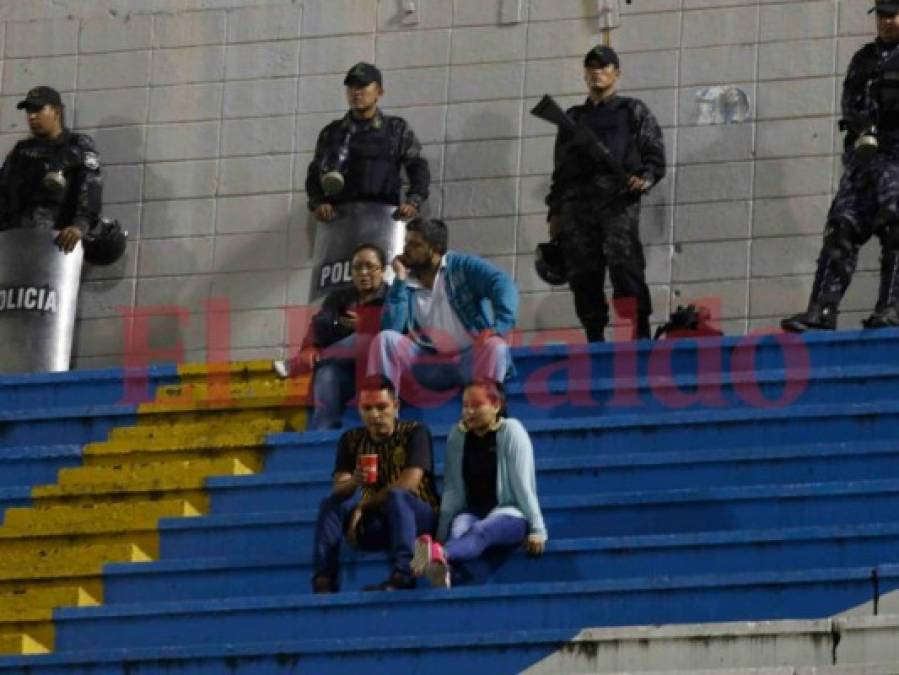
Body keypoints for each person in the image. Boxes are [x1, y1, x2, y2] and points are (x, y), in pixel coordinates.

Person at [782, 1, 899, 332]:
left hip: (896, 157)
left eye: (892, 15)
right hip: (864, 160)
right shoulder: (864, 58)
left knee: (895, 229)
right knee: (841, 229)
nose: (886, 21)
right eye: (881, 15)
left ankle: (888, 308)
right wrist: (862, 126)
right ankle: (821, 310)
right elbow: (849, 102)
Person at [545, 45, 666, 342]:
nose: (597, 72)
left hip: (617, 201)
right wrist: (555, 212)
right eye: (591, 67)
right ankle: (594, 339)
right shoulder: (572, 117)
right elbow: (561, 168)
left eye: (604, 66)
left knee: (625, 268)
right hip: (577, 206)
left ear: (617, 73)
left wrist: (644, 178)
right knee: (583, 274)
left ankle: (640, 336)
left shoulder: (632, 110)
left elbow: (654, 155)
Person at [367, 217, 518, 405]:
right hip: (429, 365)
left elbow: (502, 283)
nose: (406, 250)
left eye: (415, 245)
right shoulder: (404, 282)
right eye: (406, 243)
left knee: (496, 346)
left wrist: (500, 325)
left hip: (469, 362)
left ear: (436, 248)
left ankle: (487, 416)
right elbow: (392, 327)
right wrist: (399, 279)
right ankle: (384, 410)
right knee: (385, 339)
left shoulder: (461, 266)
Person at [411, 379, 546, 588]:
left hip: (509, 514)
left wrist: (538, 530)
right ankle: (444, 568)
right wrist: (441, 534)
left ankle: (439, 554)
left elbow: (524, 486)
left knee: (480, 531)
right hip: (472, 511)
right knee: (459, 531)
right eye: (465, 406)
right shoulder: (458, 436)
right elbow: (453, 489)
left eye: (476, 405)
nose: (469, 412)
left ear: (496, 405)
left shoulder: (512, 431)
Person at [311, 375, 440, 592]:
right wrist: (355, 480)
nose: (374, 415)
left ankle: (404, 574)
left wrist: (363, 506)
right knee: (331, 504)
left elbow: (408, 484)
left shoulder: (415, 432)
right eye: (367, 408)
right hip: (379, 523)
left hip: (419, 518)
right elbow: (339, 487)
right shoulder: (351, 440)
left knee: (398, 497)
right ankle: (324, 579)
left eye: (381, 407)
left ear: (396, 406)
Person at [274, 243, 389, 429]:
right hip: (347, 374)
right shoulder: (339, 299)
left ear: (383, 270)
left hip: (379, 373)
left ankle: (296, 364)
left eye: (370, 266)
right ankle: (323, 435)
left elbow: (396, 330)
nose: (363, 273)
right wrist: (311, 347)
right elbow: (320, 326)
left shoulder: (392, 297)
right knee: (327, 374)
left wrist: (366, 325)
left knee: (367, 338)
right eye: (358, 267)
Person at [305, 62, 430, 223]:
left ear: (379, 92)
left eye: (362, 86)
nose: (356, 92)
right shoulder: (332, 132)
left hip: (386, 218)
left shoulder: (396, 129)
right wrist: (319, 203)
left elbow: (417, 166)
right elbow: (315, 174)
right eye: (351, 87)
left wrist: (413, 201)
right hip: (340, 220)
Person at [0, 86, 103, 254]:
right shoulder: (21, 151)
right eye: (29, 111)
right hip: (16, 245)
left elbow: (91, 189)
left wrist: (79, 226)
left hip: (58, 245)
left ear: (56, 111)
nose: (32, 116)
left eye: (38, 109)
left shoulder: (77, 146)